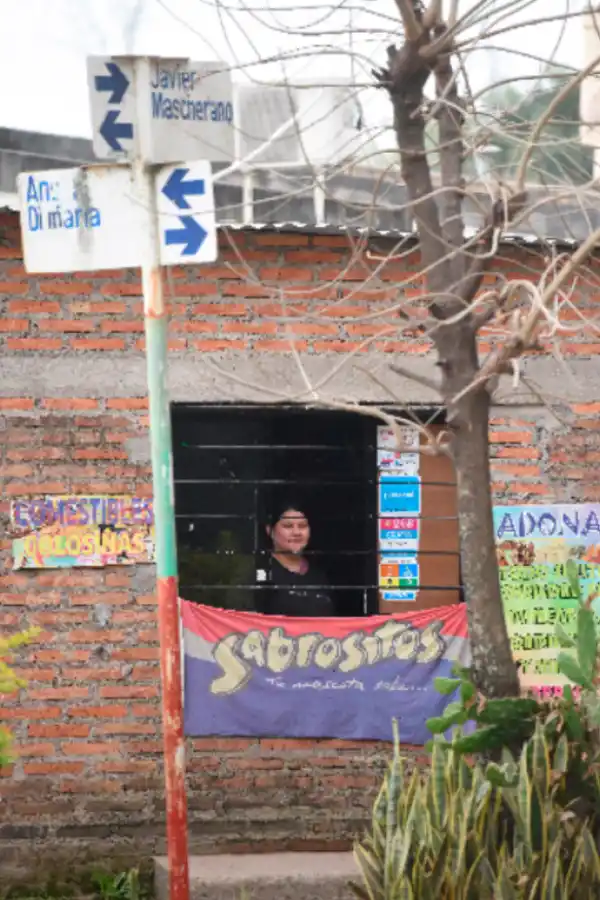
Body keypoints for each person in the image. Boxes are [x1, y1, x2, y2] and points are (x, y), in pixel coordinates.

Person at [256, 500, 334, 617]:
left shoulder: (319, 576)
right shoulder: (260, 571)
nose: (296, 532)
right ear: (270, 531)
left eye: (302, 526)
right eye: (288, 526)